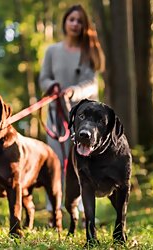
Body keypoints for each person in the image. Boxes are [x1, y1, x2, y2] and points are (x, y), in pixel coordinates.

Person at [39, 4, 105, 222]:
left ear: (84, 25)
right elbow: (44, 79)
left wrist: (74, 91)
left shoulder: (88, 52)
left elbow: (92, 83)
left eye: (79, 21)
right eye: (72, 19)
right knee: (55, 162)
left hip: (83, 119)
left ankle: (86, 213)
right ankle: (54, 212)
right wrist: (54, 86)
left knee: (83, 161)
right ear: (65, 22)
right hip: (56, 115)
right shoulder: (52, 51)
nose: (75, 24)